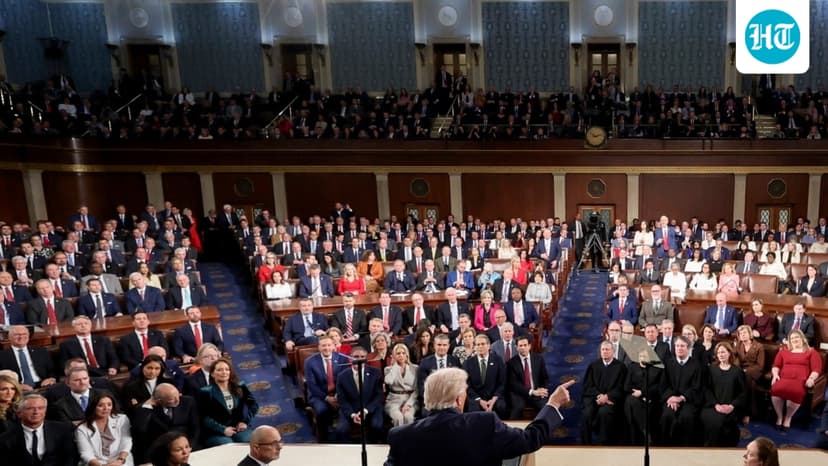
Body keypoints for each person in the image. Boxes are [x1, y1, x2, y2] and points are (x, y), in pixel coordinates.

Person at [384, 367, 575, 466]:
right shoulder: (483, 423)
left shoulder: (400, 435)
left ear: (427, 400)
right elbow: (529, 440)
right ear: (459, 399)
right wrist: (553, 404)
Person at [0, 393, 77, 466]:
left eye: (40, 408)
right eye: (30, 408)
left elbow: (69, 459)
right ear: (19, 413)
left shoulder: (62, 430)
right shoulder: (7, 437)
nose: (36, 412)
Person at [197, 358, 258, 446]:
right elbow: (204, 417)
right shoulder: (205, 392)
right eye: (219, 370)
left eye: (227, 369)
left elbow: (254, 405)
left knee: (247, 440)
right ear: (213, 374)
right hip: (216, 431)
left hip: (238, 428)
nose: (224, 372)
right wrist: (223, 430)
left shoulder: (240, 386)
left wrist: (245, 422)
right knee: (227, 445)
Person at [770, 329, 823, 430]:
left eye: (797, 337)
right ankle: (780, 416)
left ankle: (788, 418)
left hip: (800, 380)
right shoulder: (784, 351)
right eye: (792, 338)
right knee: (775, 389)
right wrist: (775, 374)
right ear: (789, 340)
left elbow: (817, 369)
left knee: (795, 392)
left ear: (802, 338)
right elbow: (776, 365)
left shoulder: (811, 352)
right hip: (784, 378)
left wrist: (811, 379)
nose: (795, 339)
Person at [581, 341, 628, 445]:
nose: (605, 352)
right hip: (595, 398)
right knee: (586, 413)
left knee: (604, 413)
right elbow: (588, 386)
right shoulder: (593, 366)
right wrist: (599, 396)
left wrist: (608, 397)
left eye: (607, 349)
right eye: (603, 349)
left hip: (611, 400)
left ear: (613, 351)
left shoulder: (621, 367)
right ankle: (585, 444)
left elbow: (621, 388)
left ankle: (604, 443)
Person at [659, 336, 703, 446]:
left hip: (689, 400)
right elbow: (664, 384)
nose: (679, 348)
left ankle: (685, 448)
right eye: (677, 346)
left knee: (686, 417)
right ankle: (666, 447)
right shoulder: (668, 363)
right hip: (670, 399)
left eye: (682, 346)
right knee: (667, 415)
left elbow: (697, 387)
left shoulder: (696, 365)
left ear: (688, 348)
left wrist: (681, 398)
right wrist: (670, 397)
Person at [700, 342, 746, 446]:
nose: (721, 354)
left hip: (731, 407)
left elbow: (742, 393)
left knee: (721, 422)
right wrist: (716, 405)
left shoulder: (737, 371)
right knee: (708, 419)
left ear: (729, 353)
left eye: (723, 352)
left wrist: (731, 406)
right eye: (718, 352)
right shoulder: (711, 369)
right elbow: (706, 389)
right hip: (712, 406)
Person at [304, 336, 348, 442]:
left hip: (339, 394)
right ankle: (323, 439)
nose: (326, 348)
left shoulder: (342, 358)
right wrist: (326, 398)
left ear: (333, 346)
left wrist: (338, 395)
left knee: (348, 408)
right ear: (319, 347)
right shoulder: (310, 362)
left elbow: (345, 380)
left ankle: (344, 438)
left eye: (329, 345)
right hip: (319, 395)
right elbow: (311, 385)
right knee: (321, 410)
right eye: (323, 345)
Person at [335, 346, 384, 442]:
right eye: (356, 356)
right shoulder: (342, 376)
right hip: (351, 409)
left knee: (377, 426)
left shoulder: (375, 373)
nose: (359, 359)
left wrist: (365, 411)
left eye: (362, 357)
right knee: (341, 430)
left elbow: (378, 396)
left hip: (370, 408)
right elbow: (342, 400)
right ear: (350, 358)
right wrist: (353, 415)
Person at [75, 391, 134, 466]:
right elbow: (85, 453)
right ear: (93, 407)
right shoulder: (82, 428)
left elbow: (126, 442)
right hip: (95, 463)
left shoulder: (122, 419)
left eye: (109, 405)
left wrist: (120, 460)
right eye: (100, 405)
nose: (106, 408)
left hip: (120, 460)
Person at [624, 348, 663, 445]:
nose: (642, 358)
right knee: (631, 401)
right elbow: (626, 386)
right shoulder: (632, 367)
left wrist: (642, 393)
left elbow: (658, 388)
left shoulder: (657, 369)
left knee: (632, 404)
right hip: (636, 397)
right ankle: (646, 432)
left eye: (645, 356)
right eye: (640, 356)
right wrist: (641, 396)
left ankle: (642, 435)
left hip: (651, 399)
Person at [463, 334, 507, 419]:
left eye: (483, 344)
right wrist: (479, 400)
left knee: (501, 407)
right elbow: (467, 385)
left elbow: (502, 383)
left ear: (489, 345)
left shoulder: (498, 360)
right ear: (474, 347)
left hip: (494, 396)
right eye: (477, 345)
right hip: (476, 397)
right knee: (473, 410)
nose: (480, 347)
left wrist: (493, 399)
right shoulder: (468, 363)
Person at [506, 335, 549, 419]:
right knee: (516, 409)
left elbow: (545, 377)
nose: (523, 348)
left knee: (545, 407)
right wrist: (531, 392)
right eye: (520, 346)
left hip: (537, 391)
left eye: (525, 345)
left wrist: (543, 389)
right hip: (520, 394)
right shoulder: (511, 363)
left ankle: (542, 429)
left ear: (529, 346)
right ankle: (513, 430)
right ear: (516, 347)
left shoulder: (538, 359)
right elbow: (514, 384)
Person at [734, 325, 765, 421]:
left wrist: (746, 371)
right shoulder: (738, 345)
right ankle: (737, 409)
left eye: (744, 333)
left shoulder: (759, 346)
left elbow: (760, 365)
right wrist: (738, 368)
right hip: (741, 371)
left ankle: (747, 413)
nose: (742, 335)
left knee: (748, 382)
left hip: (754, 372)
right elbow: (735, 358)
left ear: (750, 334)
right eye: (740, 334)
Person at [384, 344, 418, 427]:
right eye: (398, 353)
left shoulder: (415, 368)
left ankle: (410, 439)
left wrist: (408, 404)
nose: (401, 355)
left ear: (407, 355)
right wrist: (395, 366)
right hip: (393, 400)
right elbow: (388, 381)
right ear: (394, 356)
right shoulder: (388, 369)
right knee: (398, 417)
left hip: (410, 400)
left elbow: (417, 389)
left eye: (403, 353)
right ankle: (398, 439)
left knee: (408, 416)